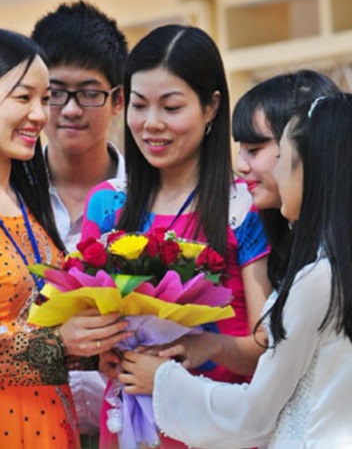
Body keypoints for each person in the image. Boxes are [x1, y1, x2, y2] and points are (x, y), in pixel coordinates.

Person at [0, 28, 128, 449]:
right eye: (23, 97)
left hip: (50, 417)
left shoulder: (28, 200)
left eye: (42, 98)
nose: (40, 114)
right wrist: (55, 343)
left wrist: (93, 346)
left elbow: (43, 322)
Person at [120, 93, 352, 447]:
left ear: (315, 172)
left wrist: (164, 380)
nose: (273, 174)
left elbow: (254, 414)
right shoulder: (337, 269)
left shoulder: (318, 278)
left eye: (283, 160)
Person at [79, 25, 272, 448]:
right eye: (139, 105)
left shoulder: (244, 205)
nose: (151, 124)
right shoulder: (107, 205)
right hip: (129, 426)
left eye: (171, 107)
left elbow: (266, 344)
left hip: (218, 427)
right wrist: (102, 351)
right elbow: (83, 317)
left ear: (211, 107)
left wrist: (207, 346)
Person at [30, 0, 129, 437]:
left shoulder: (148, 202)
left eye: (89, 93)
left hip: (130, 428)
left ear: (118, 100)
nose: (69, 109)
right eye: (54, 93)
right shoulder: (7, 199)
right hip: (31, 428)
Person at [232, 70, 338, 289]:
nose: (241, 166)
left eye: (254, 149)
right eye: (240, 150)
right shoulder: (277, 230)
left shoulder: (330, 263)